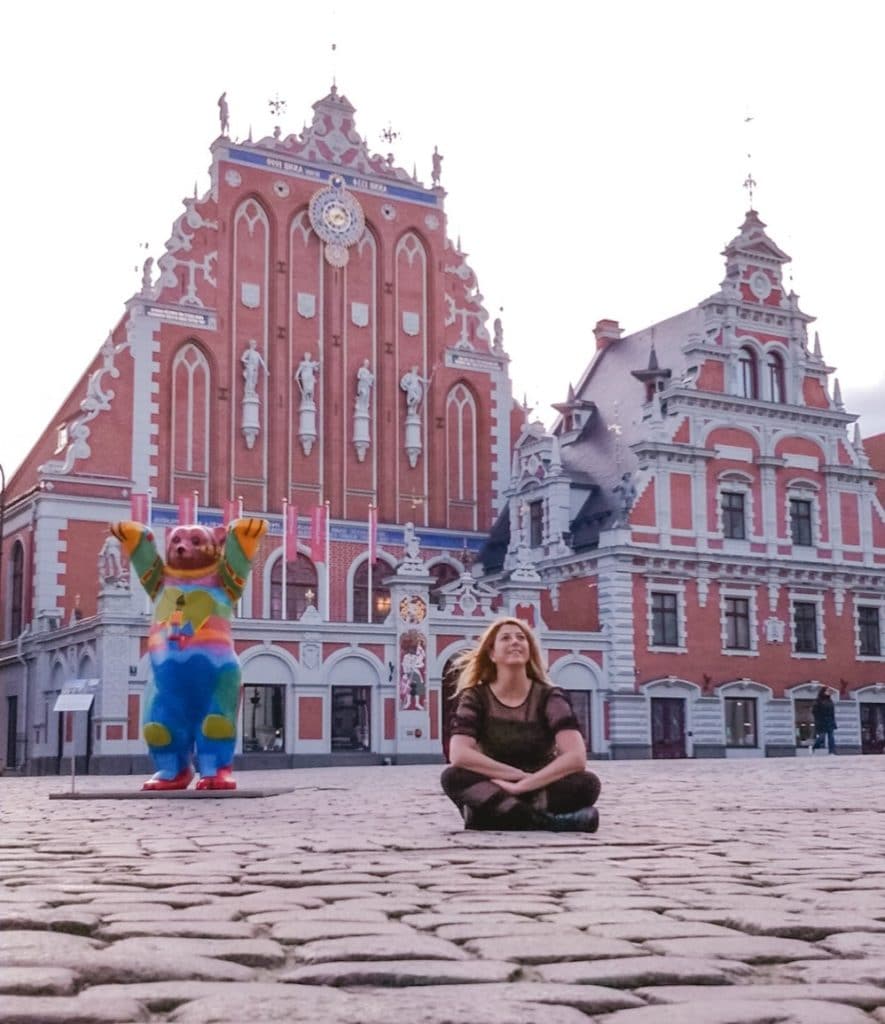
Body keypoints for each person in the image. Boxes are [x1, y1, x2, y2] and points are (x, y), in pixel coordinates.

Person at [441, 617, 601, 832]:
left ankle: (489, 815)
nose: (515, 642)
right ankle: (550, 822)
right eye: (505, 638)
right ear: (492, 654)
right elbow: (459, 754)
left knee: (587, 784)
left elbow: (576, 757)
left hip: (539, 782)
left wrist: (526, 785)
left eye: (521, 638)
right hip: (497, 780)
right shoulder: (475, 697)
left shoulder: (550, 696)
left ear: (530, 650)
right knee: (453, 777)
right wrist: (516, 777)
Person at [812, 686, 837, 754]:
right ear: (823, 692)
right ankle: (815, 746)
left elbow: (832, 712)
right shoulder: (818, 701)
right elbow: (814, 712)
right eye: (827, 691)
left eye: (829, 691)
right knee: (821, 738)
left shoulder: (830, 701)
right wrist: (818, 720)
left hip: (830, 721)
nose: (829, 692)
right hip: (822, 721)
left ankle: (832, 751)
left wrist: (833, 721)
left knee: (831, 737)